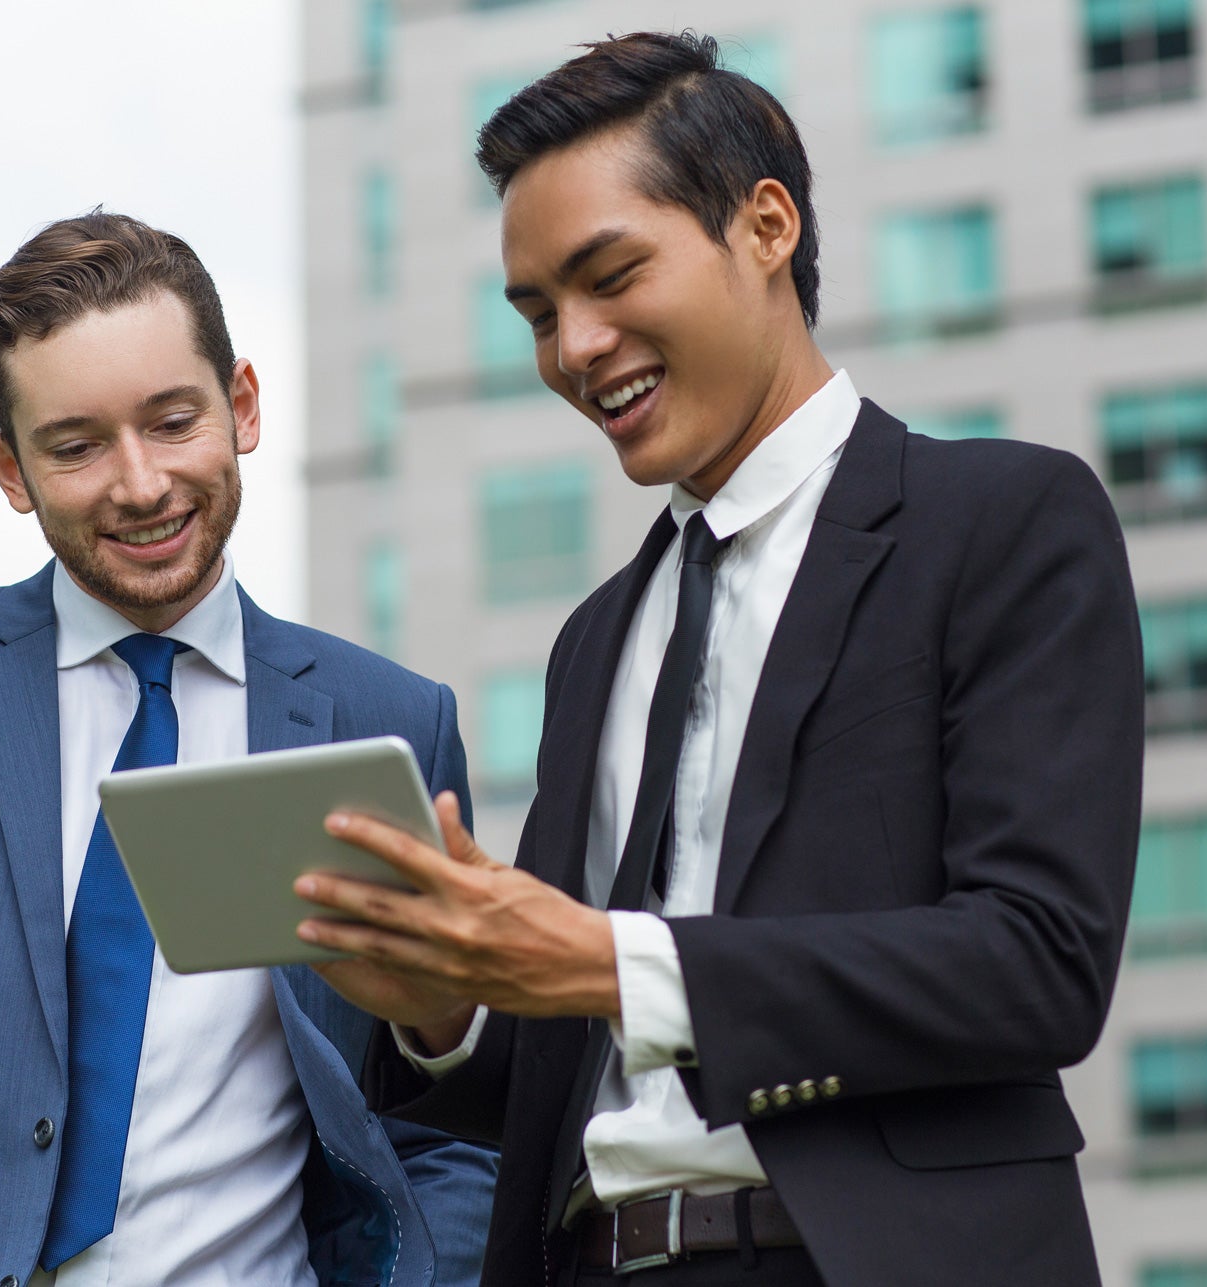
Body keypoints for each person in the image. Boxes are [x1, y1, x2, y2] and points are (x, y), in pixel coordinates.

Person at [293, 32, 1143, 1287]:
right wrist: (440, 1000)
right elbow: (569, 1064)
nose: (574, 349)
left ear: (764, 227)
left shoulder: (1002, 524)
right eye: (537, 314)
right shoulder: (595, 639)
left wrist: (606, 956)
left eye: (608, 276)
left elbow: (1038, 963)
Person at [0, 210, 496, 1287]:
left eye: (171, 422)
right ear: (8, 467)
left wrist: (444, 1029)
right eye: (74, 446)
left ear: (240, 406)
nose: (140, 483)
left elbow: (439, 1123)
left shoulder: (387, 718)